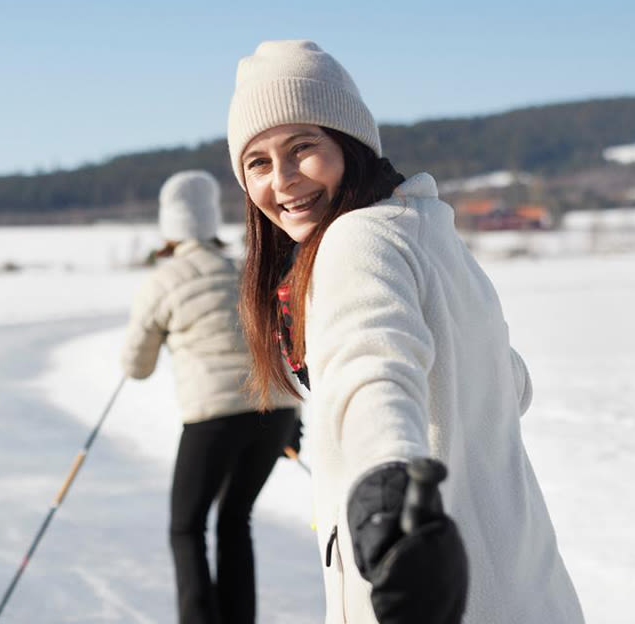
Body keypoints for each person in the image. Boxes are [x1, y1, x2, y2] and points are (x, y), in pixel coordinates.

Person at [225, 41, 585, 624]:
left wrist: (387, 484)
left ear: (349, 142)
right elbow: (511, 381)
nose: (284, 180)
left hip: (441, 598)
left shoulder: (354, 240)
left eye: (302, 148)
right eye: (258, 163)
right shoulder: (427, 230)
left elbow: (375, 367)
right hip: (527, 590)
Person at [122, 169, 303, 624]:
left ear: (170, 228)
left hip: (214, 417)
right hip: (275, 412)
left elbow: (136, 367)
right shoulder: (245, 268)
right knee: (234, 519)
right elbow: (280, 343)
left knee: (187, 526)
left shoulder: (163, 282)